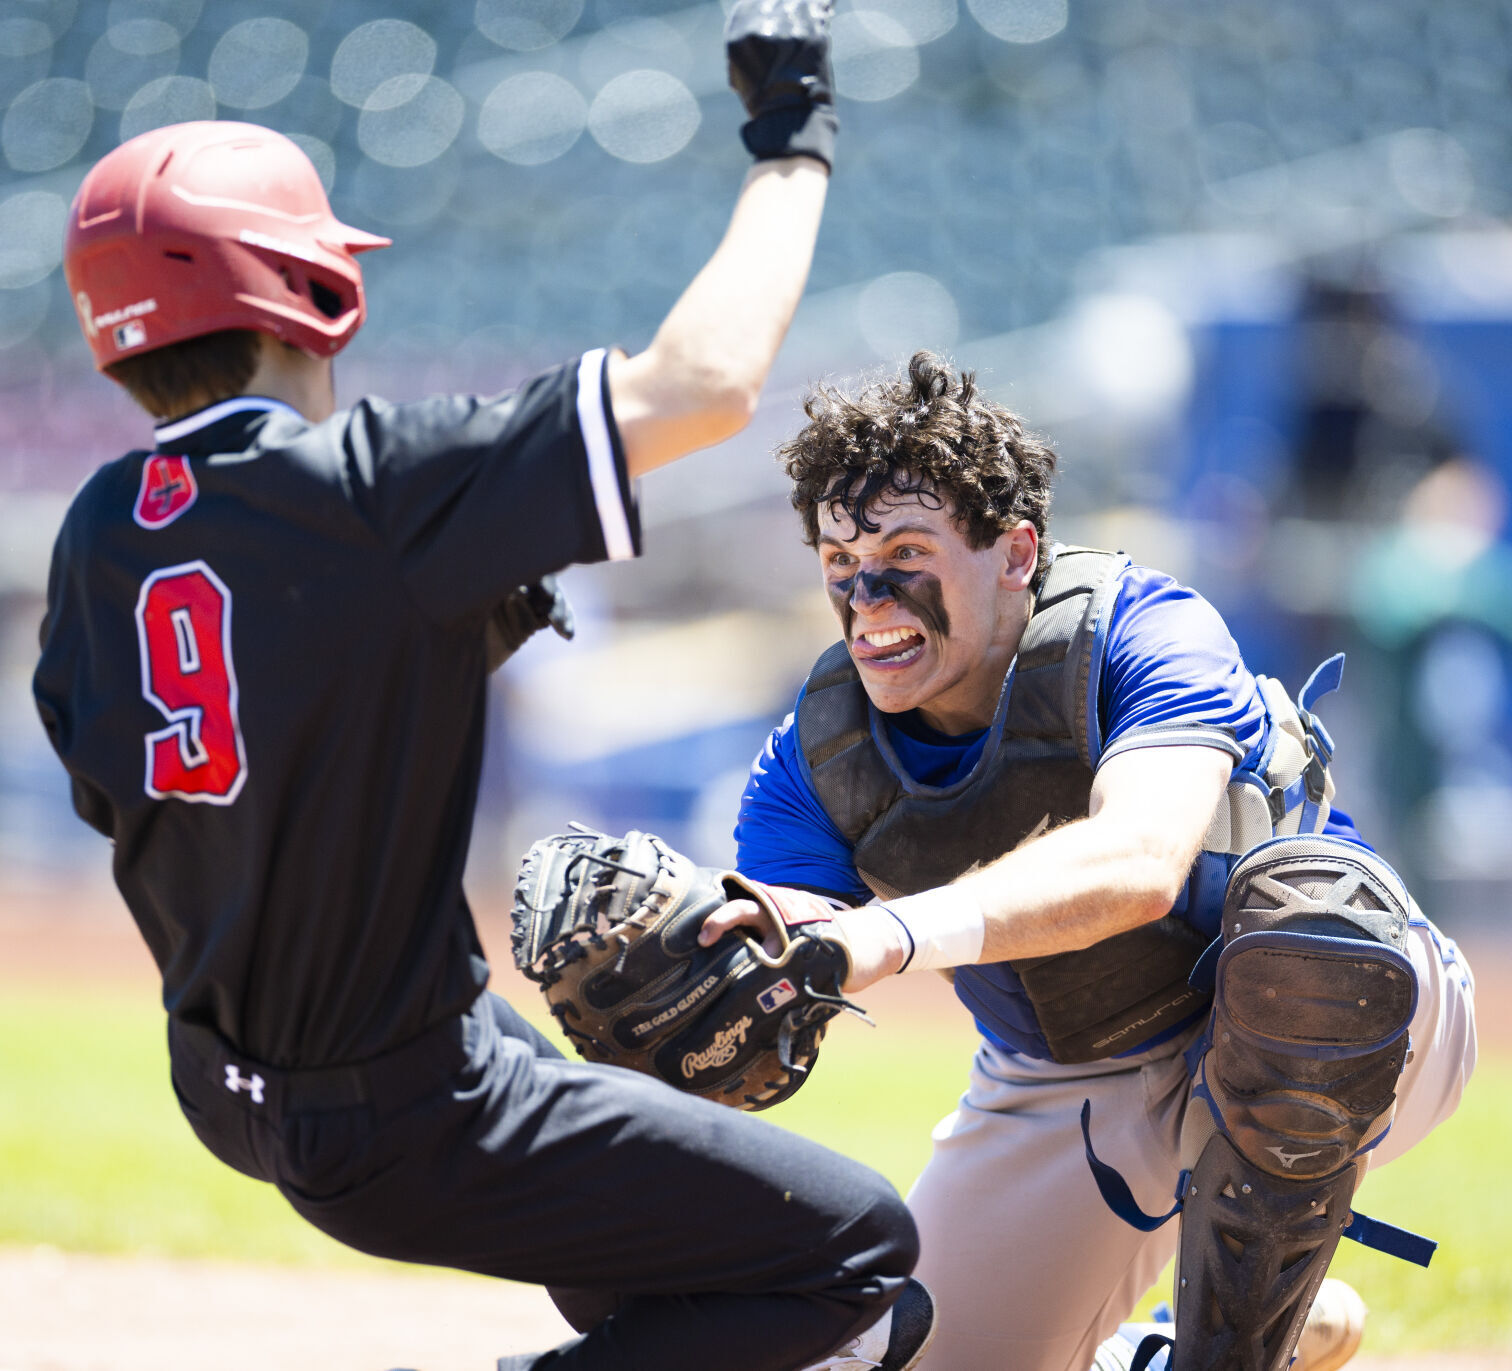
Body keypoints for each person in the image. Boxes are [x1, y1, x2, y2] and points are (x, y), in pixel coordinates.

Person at [30, 10, 940, 1369]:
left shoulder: (99, 530)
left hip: (232, 1087)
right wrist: (789, 138)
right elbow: (702, 387)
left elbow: (141, 784)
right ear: (313, 288)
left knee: (672, 1285)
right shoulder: (369, 486)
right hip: (412, 1106)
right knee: (861, 1258)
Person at [704, 351, 1478, 1371]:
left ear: (1016, 551)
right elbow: (787, 943)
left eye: (906, 550)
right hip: (1075, 1064)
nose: (868, 591)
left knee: (1307, 951)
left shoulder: (1139, 628)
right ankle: (1186, 1348)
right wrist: (698, 972)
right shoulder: (817, 752)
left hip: (1357, 1009)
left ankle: (1245, 1337)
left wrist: (886, 932)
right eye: (840, 557)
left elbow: (1140, 861)